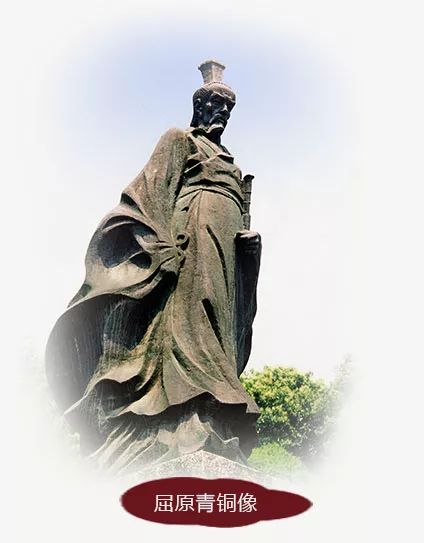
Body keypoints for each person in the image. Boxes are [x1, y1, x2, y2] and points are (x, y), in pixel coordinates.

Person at [46, 60, 262, 474]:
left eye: (227, 108)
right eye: (213, 105)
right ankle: (185, 418)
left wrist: (249, 248)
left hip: (225, 259)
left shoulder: (233, 166)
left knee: (218, 329)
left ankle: (212, 414)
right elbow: (143, 196)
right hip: (189, 250)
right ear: (199, 107)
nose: (220, 113)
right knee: (190, 323)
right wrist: (158, 249)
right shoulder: (179, 141)